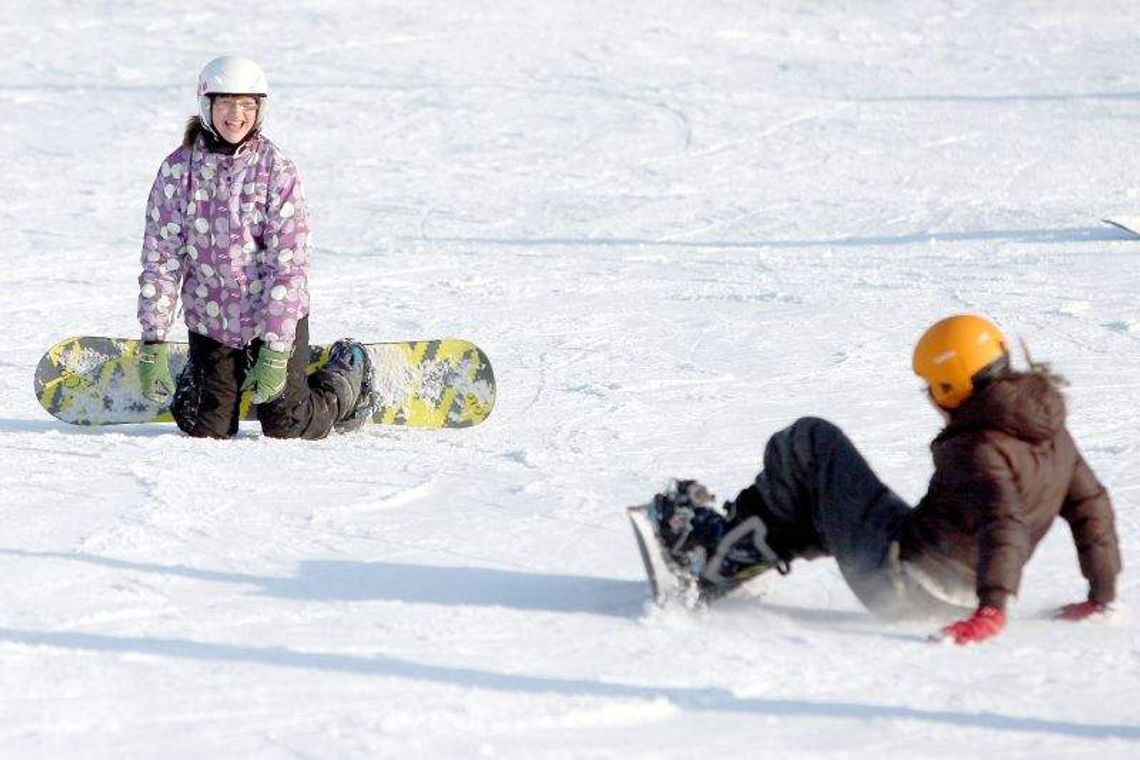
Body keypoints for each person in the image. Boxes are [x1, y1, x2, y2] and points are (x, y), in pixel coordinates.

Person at [648, 314, 1121, 645]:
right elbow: (1090, 505)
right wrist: (1101, 594)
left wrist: (993, 609)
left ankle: (712, 557)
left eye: (932, 388)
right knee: (823, 495)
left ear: (951, 387)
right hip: (944, 582)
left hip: (907, 585)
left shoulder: (980, 447)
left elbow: (1005, 523)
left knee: (811, 440)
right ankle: (738, 556)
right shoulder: (1048, 431)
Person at [135, 55, 375, 439]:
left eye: (248, 105)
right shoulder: (178, 170)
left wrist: (277, 350)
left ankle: (348, 373)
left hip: (272, 317)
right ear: (206, 105)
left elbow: (289, 267)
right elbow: (161, 260)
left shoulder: (276, 170)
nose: (236, 115)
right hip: (211, 319)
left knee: (287, 423)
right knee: (206, 427)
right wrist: (153, 340)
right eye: (227, 103)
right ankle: (200, 376)